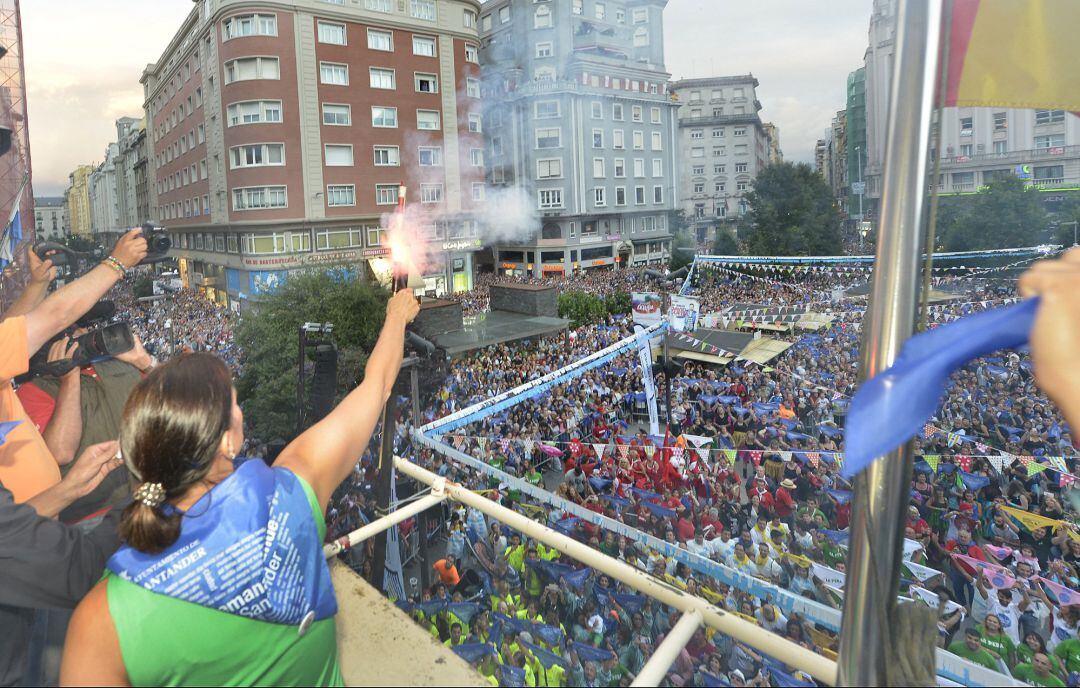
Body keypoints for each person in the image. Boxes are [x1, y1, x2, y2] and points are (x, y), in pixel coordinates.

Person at [60, 290, 419, 685]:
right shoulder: (292, 494)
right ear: (228, 442)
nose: (241, 410)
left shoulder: (99, 621)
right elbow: (377, 385)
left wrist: (151, 368)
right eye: (234, 404)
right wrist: (396, 314)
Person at [1, 232, 147, 507]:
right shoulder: (37, 389)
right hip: (30, 534)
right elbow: (55, 316)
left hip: (35, 523)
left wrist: (38, 286)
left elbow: (8, 331)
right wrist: (116, 263)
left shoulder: (117, 368)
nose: (83, 332)